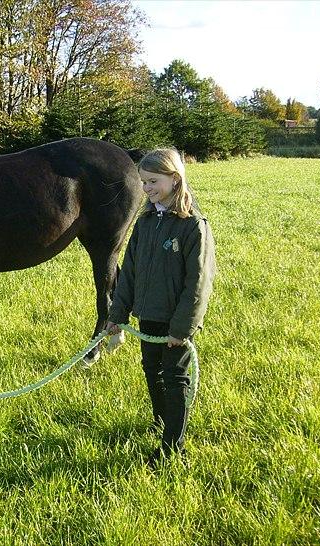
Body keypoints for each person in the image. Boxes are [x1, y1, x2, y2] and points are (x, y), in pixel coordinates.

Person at [105, 148, 216, 468]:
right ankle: (160, 420)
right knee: (151, 371)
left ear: (175, 179)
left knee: (175, 377)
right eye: (142, 182)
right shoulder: (145, 223)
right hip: (148, 315)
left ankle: (172, 448)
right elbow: (129, 272)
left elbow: (198, 285)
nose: (146, 188)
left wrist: (181, 329)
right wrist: (117, 315)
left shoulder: (193, 226)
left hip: (175, 322)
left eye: (153, 181)